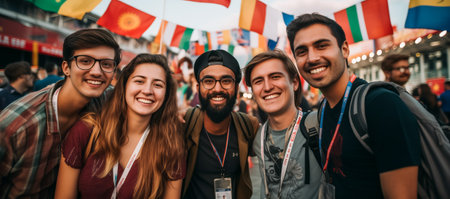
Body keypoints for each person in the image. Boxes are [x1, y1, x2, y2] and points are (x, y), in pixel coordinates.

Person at [287, 13, 420, 199]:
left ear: (344, 50)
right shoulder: (324, 109)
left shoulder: (380, 105)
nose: (312, 58)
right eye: (302, 51)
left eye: (321, 46)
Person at [0, 28, 121, 198]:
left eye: (106, 64)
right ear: (66, 67)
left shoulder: (109, 100)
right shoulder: (16, 125)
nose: (96, 71)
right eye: (85, 61)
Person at [55, 54, 185, 198]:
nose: (148, 91)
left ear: (166, 94)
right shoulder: (86, 131)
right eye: (139, 81)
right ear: (124, 86)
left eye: (158, 85)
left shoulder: (171, 144)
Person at [244, 50, 322, 198]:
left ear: (294, 83)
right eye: (258, 81)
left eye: (275, 77)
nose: (267, 87)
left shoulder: (318, 125)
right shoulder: (258, 138)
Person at [182, 50, 259, 199]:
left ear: (236, 88)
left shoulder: (248, 126)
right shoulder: (183, 124)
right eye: (209, 81)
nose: (217, 89)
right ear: (198, 88)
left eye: (226, 81)